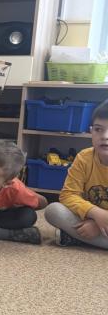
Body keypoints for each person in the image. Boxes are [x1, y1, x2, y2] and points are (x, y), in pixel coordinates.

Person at [44, 99, 108, 249]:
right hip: (90, 216)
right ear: (91, 131)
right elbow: (68, 195)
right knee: (54, 211)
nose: (105, 136)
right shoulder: (84, 158)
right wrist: (95, 214)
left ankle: (79, 238)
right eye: (98, 129)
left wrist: (98, 225)